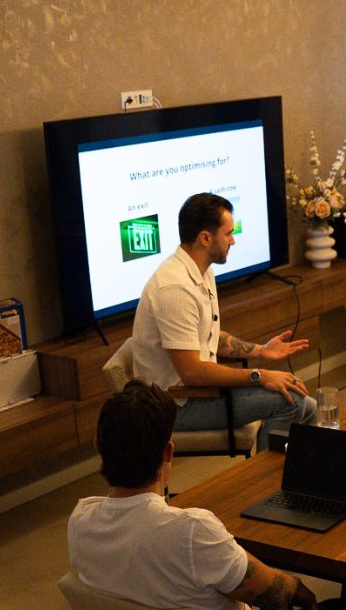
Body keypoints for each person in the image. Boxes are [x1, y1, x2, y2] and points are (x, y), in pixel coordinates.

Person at [67, 381, 346, 610]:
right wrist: (299, 589)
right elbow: (272, 595)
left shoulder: (80, 521)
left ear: (98, 446)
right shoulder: (190, 530)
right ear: (168, 452)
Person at [131, 192, 316, 452]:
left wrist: (261, 350)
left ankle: (291, 483)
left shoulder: (202, 272)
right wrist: (259, 375)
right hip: (176, 405)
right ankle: (265, 488)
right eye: (228, 233)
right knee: (294, 403)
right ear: (205, 238)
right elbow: (192, 373)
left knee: (307, 405)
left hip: (197, 393)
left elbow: (210, 337)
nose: (233, 240)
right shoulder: (174, 289)